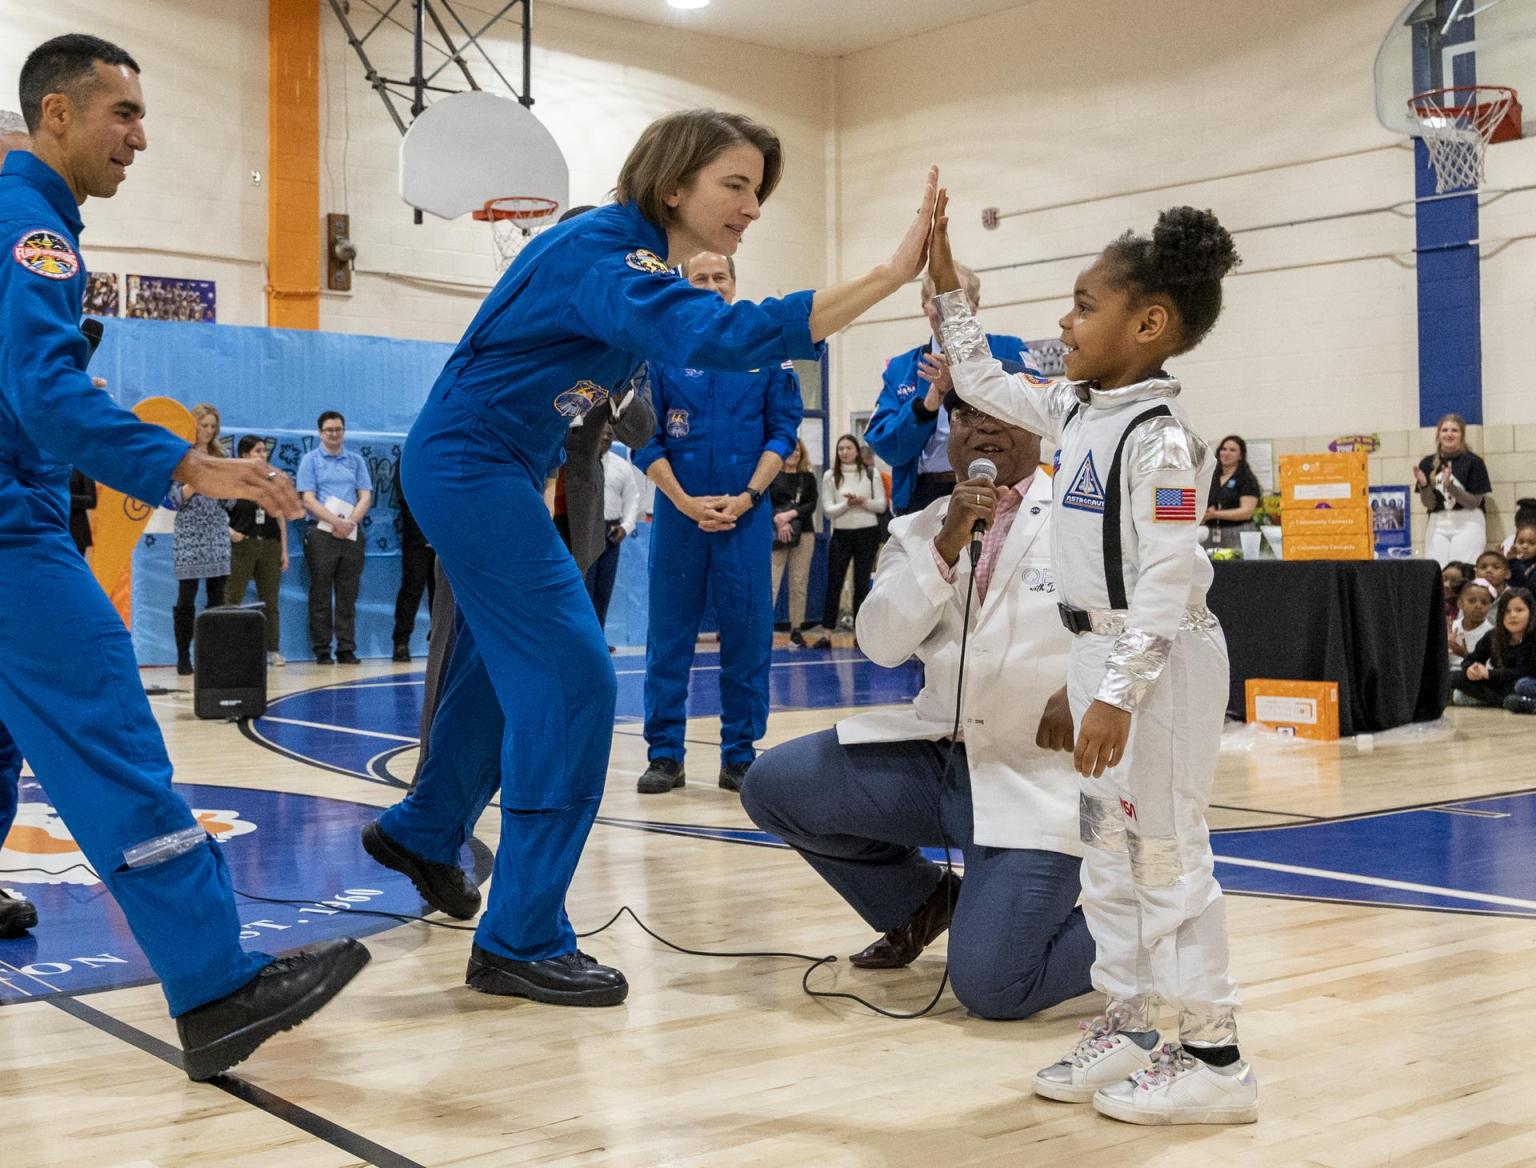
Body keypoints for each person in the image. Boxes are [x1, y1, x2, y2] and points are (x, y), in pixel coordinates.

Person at [359, 107, 940, 1007]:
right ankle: (521, 936)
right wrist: (889, 275)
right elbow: (725, 336)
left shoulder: (634, 259)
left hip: (493, 466)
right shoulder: (609, 253)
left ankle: (428, 829)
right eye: (735, 186)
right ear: (675, 184)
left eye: (759, 192)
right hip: (474, 466)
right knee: (576, 682)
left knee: (492, 670)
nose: (751, 208)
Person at [0, 33, 365, 1078]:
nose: (143, 138)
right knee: (114, 744)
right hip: (9, 531)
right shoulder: (33, 233)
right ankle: (216, 985)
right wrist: (191, 467)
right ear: (58, 115)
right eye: (124, 115)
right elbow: (46, 396)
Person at [932, 196, 1257, 1124]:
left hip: (1156, 664)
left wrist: (1116, 692)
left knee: (1166, 857)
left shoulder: (1159, 442)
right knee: (1108, 856)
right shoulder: (1075, 406)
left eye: (1082, 304)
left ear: (1148, 324)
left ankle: (1217, 1057)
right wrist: (946, 282)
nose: (1064, 323)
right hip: (1097, 655)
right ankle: (1137, 1025)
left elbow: (1169, 577)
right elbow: (980, 378)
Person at [742, 393, 1095, 1019]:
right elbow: (880, 644)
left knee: (993, 988)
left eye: (1001, 415)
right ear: (950, 435)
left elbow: (1159, 619)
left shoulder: (1085, 513)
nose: (982, 427)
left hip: (1040, 776)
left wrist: (1086, 689)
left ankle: (1151, 927)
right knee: (774, 784)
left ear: (1039, 425)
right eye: (966, 416)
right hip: (939, 761)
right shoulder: (919, 526)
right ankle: (923, 903)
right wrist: (946, 546)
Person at [635, 249, 804, 795]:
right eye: (700, 277)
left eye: (720, 277)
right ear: (685, 285)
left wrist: (751, 496)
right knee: (669, 638)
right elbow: (644, 437)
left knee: (748, 638)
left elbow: (783, 431)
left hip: (745, 517)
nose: (711, 286)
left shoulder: (765, 351)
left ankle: (739, 754)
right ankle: (665, 754)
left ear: (735, 283)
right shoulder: (661, 351)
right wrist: (683, 500)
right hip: (679, 516)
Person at [864, 263, 1029, 515]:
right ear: (924, 306)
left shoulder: (1011, 350)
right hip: (924, 495)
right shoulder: (900, 369)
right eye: (937, 299)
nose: (946, 309)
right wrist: (926, 406)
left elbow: (1035, 414)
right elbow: (887, 447)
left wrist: (974, 376)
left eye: (957, 299)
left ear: (975, 304)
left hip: (997, 489)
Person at [296, 410, 372, 664]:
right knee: (320, 591)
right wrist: (334, 521)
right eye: (329, 430)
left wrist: (351, 522)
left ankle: (346, 647)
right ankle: (322, 649)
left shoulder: (355, 461)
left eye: (338, 429)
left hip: (350, 531)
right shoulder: (311, 460)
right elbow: (307, 498)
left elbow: (365, 495)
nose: (334, 434)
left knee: (348, 592)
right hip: (321, 531)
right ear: (320, 432)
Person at [171, 403, 231, 675]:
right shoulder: (180, 455)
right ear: (193, 425)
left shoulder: (222, 455)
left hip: (216, 532)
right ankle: (184, 655)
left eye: (212, 426)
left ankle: (214, 654)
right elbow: (172, 499)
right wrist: (197, 481)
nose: (208, 431)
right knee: (186, 598)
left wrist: (222, 487)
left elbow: (231, 499)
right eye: (204, 425)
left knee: (217, 597)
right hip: (189, 533)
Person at [225, 435, 289, 666]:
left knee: (270, 600)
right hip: (243, 544)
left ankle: (273, 649)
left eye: (263, 451)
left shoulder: (272, 481)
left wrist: (284, 549)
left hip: (269, 544)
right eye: (256, 451)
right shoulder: (233, 483)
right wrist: (230, 532)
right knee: (232, 597)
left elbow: (280, 515)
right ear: (243, 456)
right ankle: (228, 648)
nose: (262, 455)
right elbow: (219, 512)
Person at [817, 432, 886, 644]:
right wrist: (847, 504)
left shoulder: (870, 473)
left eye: (848, 448)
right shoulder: (830, 476)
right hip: (841, 534)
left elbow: (881, 505)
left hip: (867, 532)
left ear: (857, 450)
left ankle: (860, 634)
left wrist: (862, 501)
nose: (845, 452)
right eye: (841, 449)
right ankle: (826, 632)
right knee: (834, 582)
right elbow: (828, 510)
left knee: (861, 583)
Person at [586, 423, 643, 638]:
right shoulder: (581, 465)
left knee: (604, 589)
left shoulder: (621, 467)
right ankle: (587, 641)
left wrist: (625, 527)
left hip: (611, 533)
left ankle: (598, 639)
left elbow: (633, 500)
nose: (606, 438)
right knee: (585, 589)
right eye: (603, 434)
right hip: (586, 531)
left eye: (610, 435)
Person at [1416, 413, 1490, 566]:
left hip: (1468, 520)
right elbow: (1429, 504)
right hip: (1438, 520)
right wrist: (1424, 485)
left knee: (1461, 571)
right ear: (1438, 434)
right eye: (1445, 430)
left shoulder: (1474, 462)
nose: (1449, 434)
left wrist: (1450, 487)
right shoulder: (1427, 462)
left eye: (1454, 430)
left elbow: (1473, 503)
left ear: (1462, 435)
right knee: (1435, 568)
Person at [769, 437, 819, 647]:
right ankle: (764, 630)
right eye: (791, 449)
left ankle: (796, 629)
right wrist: (779, 521)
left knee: (799, 583)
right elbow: (764, 502)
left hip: (804, 533)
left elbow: (811, 504)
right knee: (771, 582)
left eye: (798, 450)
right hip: (775, 532)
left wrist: (789, 515)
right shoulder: (771, 475)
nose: (795, 453)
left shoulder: (807, 477)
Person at [1454, 586, 1536, 711]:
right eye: (1506, 611)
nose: (1512, 615)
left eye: (1519, 610)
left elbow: (1529, 671)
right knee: (1456, 677)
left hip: (1526, 682)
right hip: (1502, 683)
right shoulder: (1493, 636)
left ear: (1531, 613)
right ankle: (1507, 702)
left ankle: (1520, 703)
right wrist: (1471, 670)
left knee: (1522, 685)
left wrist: (1490, 674)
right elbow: (1471, 659)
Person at [390, 455, 434, 663]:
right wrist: (425, 533)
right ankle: (401, 642)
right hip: (417, 536)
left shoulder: (446, 453)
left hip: (445, 537)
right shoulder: (410, 454)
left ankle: (439, 639)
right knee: (412, 587)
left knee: (441, 592)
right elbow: (405, 499)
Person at [1203, 434, 1260, 550]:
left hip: (1238, 534)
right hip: (1210, 534)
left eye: (1232, 450)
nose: (1226, 453)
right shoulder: (1210, 477)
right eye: (1224, 449)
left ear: (1241, 455)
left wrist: (1215, 514)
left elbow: (1246, 512)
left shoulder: (1246, 479)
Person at [1448, 577, 1494, 672]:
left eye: (1484, 603)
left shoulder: (1492, 634)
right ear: (1460, 603)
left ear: (1490, 606)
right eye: (1472, 601)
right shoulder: (1452, 627)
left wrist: (1465, 654)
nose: (1478, 606)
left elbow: (1488, 670)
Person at [68, 466, 95, 555]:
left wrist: (66, 498)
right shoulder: (47, 467)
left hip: (76, 532)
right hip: (50, 531)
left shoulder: (82, 468)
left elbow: (92, 501)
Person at [1505, 523, 1536, 593]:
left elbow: (1525, 586)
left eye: (1531, 543)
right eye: (1521, 542)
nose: (1525, 546)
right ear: (1514, 543)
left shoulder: (1514, 563)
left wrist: (1514, 562)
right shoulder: (1510, 562)